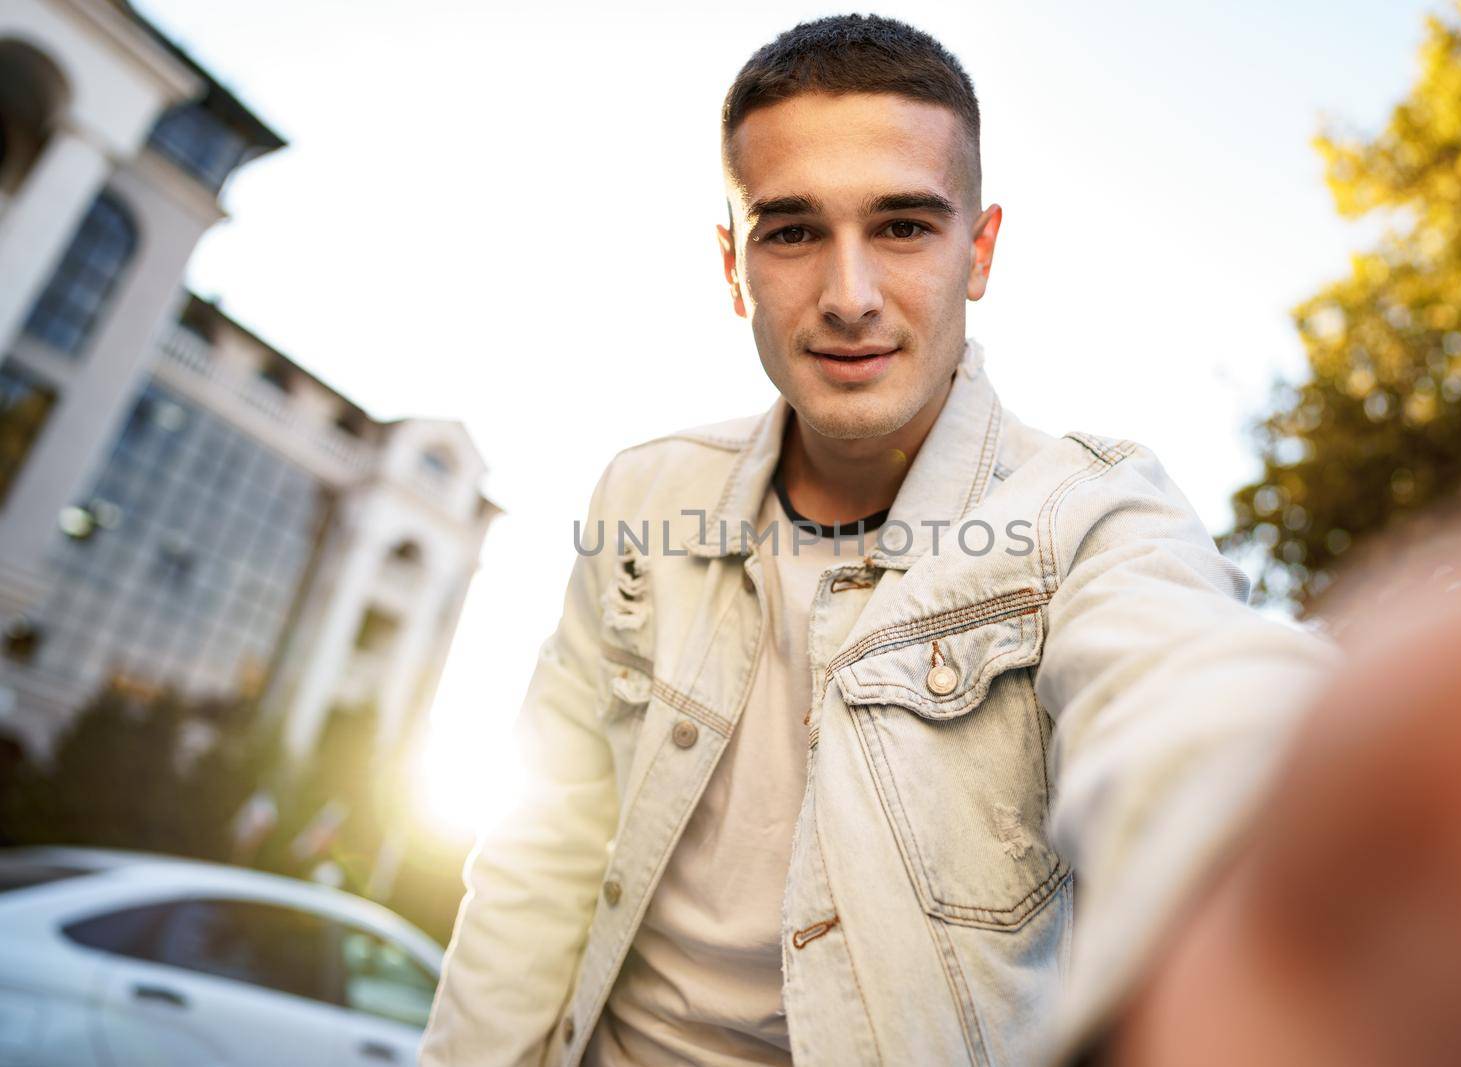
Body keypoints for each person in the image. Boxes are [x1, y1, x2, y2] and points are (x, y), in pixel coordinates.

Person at [419, 15, 1335, 1067]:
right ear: (734, 265)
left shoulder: (1091, 514)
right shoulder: (643, 494)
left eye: (902, 226)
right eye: (792, 231)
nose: (849, 298)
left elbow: (1189, 696)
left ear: (978, 252)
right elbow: (538, 859)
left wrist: (1338, 796)